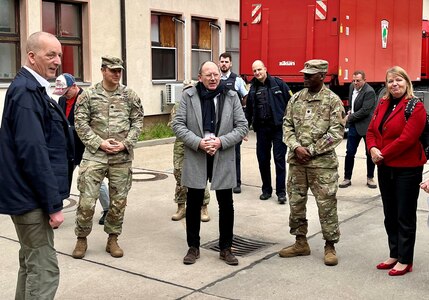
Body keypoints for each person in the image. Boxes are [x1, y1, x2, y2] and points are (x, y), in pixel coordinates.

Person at [0, 31, 73, 299]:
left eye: (59, 55)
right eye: (50, 54)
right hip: (29, 198)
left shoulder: (34, 89)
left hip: (29, 196)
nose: (57, 61)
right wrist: (53, 206)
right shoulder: (26, 92)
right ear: (31, 56)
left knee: (30, 263)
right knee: (44, 270)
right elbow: (34, 154)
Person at [172, 61, 248, 266]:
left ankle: (226, 248)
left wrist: (220, 141)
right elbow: (177, 125)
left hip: (222, 154)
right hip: (197, 153)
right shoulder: (188, 96)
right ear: (200, 77)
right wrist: (199, 143)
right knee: (194, 202)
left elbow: (242, 127)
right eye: (208, 75)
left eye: (216, 74)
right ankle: (193, 247)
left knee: (226, 204)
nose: (213, 78)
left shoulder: (231, 96)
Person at [72, 55, 144, 259]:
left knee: (118, 201)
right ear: (103, 70)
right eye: (113, 70)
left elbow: (138, 122)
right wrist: (99, 143)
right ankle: (81, 238)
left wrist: (125, 143)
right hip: (95, 155)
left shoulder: (130, 95)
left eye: (119, 70)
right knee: (87, 200)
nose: (116, 74)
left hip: (121, 157)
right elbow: (81, 124)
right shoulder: (88, 96)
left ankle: (113, 239)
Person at [280, 59, 345, 266]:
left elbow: (336, 132)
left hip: (322, 165)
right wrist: (296, 147)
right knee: (296, 203)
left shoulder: (333, 101)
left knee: (326, 205)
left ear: (322, 76)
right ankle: (300, 242)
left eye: (310, 74)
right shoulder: (296, 99)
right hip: (297, 162)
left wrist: (312, 150)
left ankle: (330, 245)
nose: (305, 77)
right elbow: (287, 125)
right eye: (305, 73)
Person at [367, 66, 426, 276]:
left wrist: (381, 153)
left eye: (399, 80)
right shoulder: (382, 103)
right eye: (390, 81)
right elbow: (372, 130)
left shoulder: (415, 106)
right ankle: (394, 253)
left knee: (404, 215)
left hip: (407, 169)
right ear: (386, 85)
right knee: (389, 213)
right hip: (385, 167)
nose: (395, 84)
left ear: (407, 82)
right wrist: (372, 148)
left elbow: (407, 139)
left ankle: (405, 259)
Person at [53, 73, 111, 225]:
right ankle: (54, 212)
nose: (64, 95)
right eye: (62, 93)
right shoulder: (61, 100)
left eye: (66, 92)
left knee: (94, 180)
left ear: (74, 86)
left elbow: (95, 125)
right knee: (60, 179)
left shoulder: (88, 99)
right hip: (68, 148)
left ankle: (108, 210)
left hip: (86, 147)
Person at [246, 60, 292, 204]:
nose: (257, 73)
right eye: (254, 71)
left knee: (279, 160)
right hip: (262, 130)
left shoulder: (279, 84)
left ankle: (281, 193)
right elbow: (248, 110)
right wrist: (245, 128)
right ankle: (266, 190)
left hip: (278, 129)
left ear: (265, 69)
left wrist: (290, 124)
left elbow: (292, 103)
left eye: (259, 69)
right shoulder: (252, 88)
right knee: (263, 160)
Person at [170, 89, 211, 222]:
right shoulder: (178, 106)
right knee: (179, 175)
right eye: (186, 91)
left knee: (200, 175)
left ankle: (203, 206)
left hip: (199, 145)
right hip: (181, 146)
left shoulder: (201, 105)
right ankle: (181, 206)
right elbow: (174, 125)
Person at [339, 70, 377, 189]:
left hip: (366, 126)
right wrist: (350, 110)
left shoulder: (369, 92)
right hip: (354, 126)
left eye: (358, 81)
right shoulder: (352, 87)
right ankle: (347, 178)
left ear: (364, 80)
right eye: (353, 80)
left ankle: (370, 178)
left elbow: (365, 111)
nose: (355, 83)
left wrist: (348, 117)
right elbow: (352, 104)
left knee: (369, 153)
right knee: (350, 152)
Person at [219, 52, 249, 194]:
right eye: (222, 61)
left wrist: (243, 120)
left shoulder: (236, 80)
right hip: (220, 123)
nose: (224, 64)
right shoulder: (216, 78)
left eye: (226, 62)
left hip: (234, 124)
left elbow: (245, 96)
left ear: (230, 64)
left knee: (234, 154)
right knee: (220, 152)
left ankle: (236, 182)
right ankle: (223, 180)